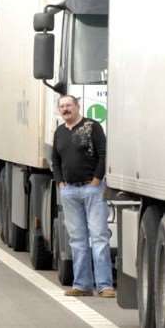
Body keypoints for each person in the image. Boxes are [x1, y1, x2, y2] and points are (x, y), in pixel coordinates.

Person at [52, 95, 115, 298]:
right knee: (77, 240)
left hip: (92, 189)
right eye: (62, 106)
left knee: (98, 237)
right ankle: (82, 285)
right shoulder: (60, 132)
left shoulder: (92, 127)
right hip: (69, 191)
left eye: (69, 105)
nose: (65, 109)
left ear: (77, 106)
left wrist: (97, 179)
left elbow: (104, 154)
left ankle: (105, 286)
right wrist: (60, 182)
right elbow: (55, 159)